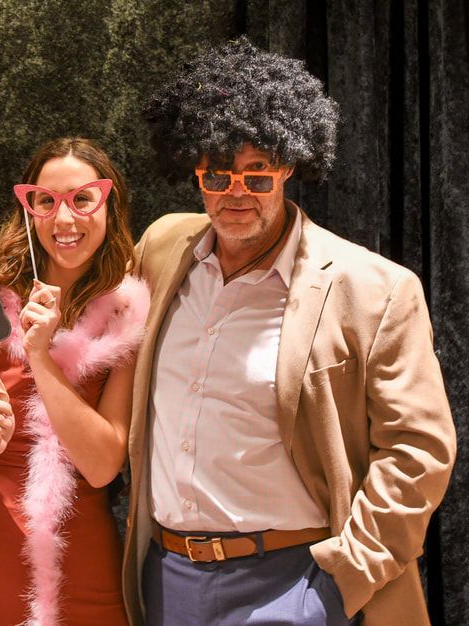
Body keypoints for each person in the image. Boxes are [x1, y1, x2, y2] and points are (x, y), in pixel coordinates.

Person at [123, 37, 456, 626]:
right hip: (167, 579)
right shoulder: (163, 248)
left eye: (258, 176)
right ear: (193, 168)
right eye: (218, 174)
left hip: (293, 584)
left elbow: (418, 450)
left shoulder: (374, 288)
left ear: (291, 164)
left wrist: (342, 580)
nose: (235, 194)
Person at [0, 137, 150, 625]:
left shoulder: (126, 316)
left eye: (82, 198)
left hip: (83, 577)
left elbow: (104, 464)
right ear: (28, 209)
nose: (64, 219)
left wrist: (40, 357)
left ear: (111, 204)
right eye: (46, 201)